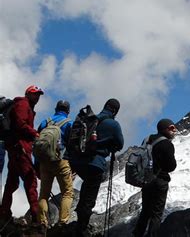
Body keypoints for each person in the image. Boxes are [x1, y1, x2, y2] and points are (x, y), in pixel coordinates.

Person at [69, 98, 124, 237]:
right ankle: (81, 229)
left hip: (78, 161)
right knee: (89, 198)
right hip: (95, 163)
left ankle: (78, 223)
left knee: (86, 189)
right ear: (115, 110)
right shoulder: (113, 124)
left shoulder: (89, 119)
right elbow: (120, 143)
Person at [0, 85, 43, 224]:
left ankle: (4, 213)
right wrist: (34, 133)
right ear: (28, 94)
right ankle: (37, 217)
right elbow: (20, 124)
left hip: (16, 149)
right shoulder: (23, 104)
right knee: (30, 180)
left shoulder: (25, 105)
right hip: (21, 148)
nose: (37, 97)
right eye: (35, 94)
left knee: (12, 182)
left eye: (38, 95)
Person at [133, 118, 177, 237]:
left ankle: (137, 235)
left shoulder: (147, 140)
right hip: (160, 182)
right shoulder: (167, 144)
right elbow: (171, 166)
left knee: (145, 212)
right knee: (156, 214)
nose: (175, 130)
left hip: (146, 181)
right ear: (165, 129)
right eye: (172, 128)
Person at [36, 100, 74, 232]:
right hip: (61, 161)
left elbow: (37, 144)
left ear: (55, 108)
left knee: (44, 195)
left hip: (44, 162)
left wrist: (37, 165)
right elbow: (72, 146)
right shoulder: (69, 123)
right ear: (68, 110)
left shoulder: (45, 122)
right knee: (67, 193)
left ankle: (42, 223)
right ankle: (62, 223)